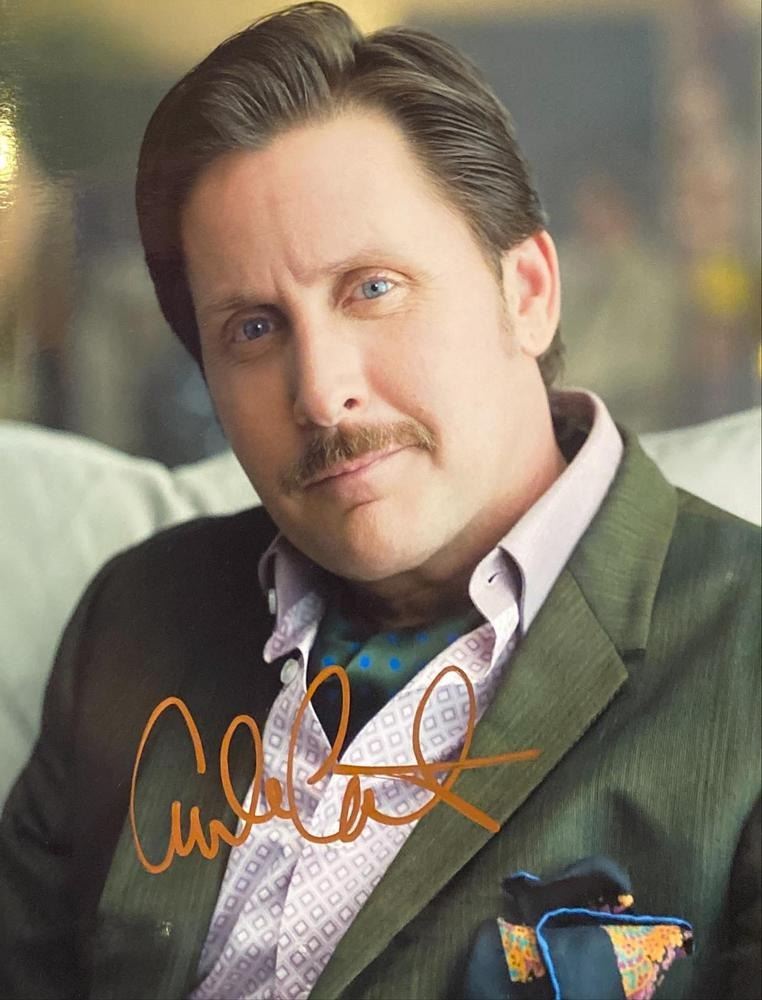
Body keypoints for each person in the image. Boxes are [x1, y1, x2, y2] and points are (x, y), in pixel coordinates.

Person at [0, 4, 759, 999]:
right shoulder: (136, 621)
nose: (320, 393)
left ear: (528, 291)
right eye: (254, 328)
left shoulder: (742, 650)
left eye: (372, 288)